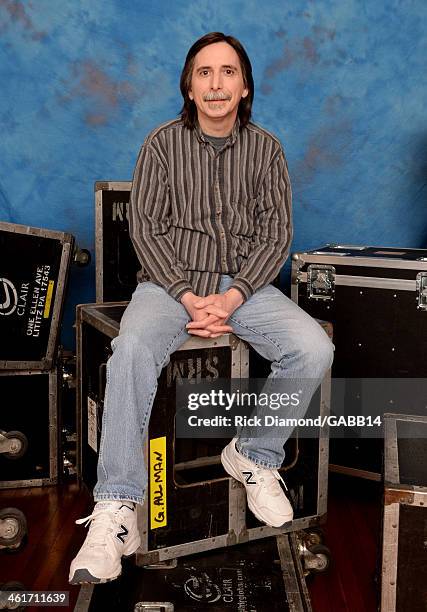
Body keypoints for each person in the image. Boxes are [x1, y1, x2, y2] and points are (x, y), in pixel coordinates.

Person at [69, 31, 334, 585]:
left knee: (313, 346)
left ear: (244, 87)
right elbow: (147, 229)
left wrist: (234, 295)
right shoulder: (160, 145)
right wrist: (190, 296)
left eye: (228, 72)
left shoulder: (266, 149)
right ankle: (118, 511)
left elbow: (276, 235)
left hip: (246, 286)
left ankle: (255, 456)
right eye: (204, 73)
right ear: (189, 87)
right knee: (132, 350)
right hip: (170, 288)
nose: (216, 84)